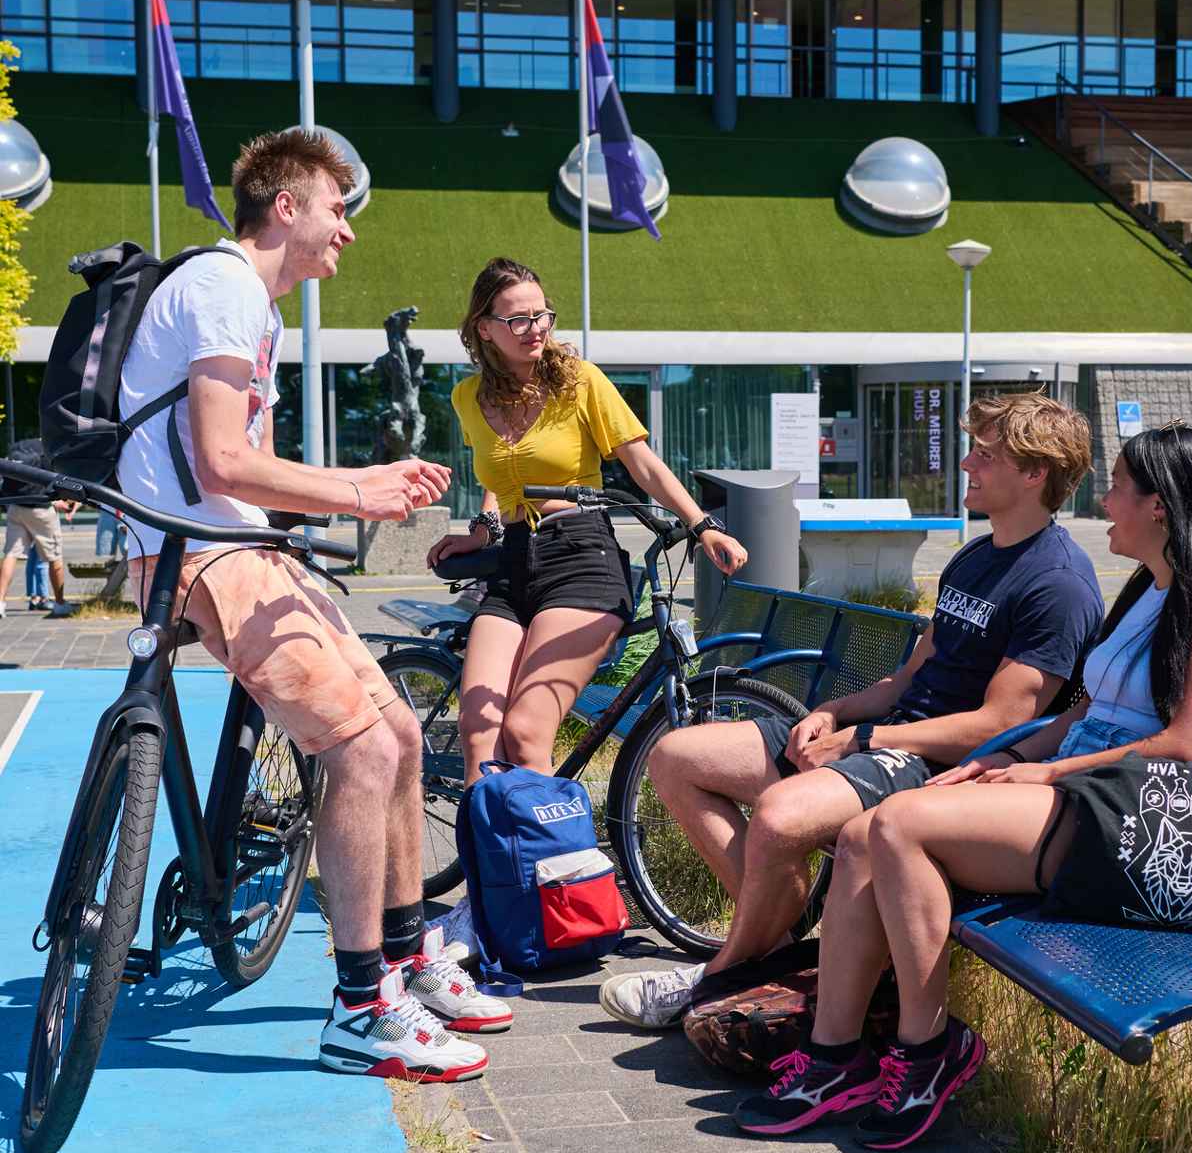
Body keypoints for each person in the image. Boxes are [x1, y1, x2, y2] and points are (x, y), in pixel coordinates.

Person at [735, 423, 1192, 1147]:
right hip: (1087, 801)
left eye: (1117, 488)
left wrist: (1047, 769)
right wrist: (1002, 754)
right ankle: (835, 1057)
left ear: (1162, 505)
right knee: (861, 837)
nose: (1104, 501)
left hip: (1151, 827)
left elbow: (1186, 743)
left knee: (896, 825)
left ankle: (926, 1051)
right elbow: (1085, 711)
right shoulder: (1148, 587)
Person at [116, 127, 512, 1084]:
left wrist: (367, 485)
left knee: (405, 737)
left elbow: (251, 472)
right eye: (338, 208)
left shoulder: (259, 311)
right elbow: (220, 463)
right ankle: (359, 1008)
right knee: (363, 751)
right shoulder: (223, 286)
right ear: (285, 207)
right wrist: (359, 490)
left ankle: (411, 958)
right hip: (196, 549)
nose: (347, 232)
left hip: (237, 539)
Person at [598, 392, 1105, 1031]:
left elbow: (998, 723)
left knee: (780, 817)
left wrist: (864, 739)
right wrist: (835, 713)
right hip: (880, 740)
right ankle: (773, 957)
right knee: (675, 757)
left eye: (986, 454)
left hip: (930, 764)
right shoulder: (976, 556)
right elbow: (912, 673)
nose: (968, 465)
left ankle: (722, 974)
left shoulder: (1057, 582)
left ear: (1035, 474)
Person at [429, 256, 748, 785]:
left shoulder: (579, 381)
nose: (536, 330)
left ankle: (556, 866)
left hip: (580, 558)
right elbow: (501, 481)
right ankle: (496, 866)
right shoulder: (468, 397)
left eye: (542, 315)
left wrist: (702, 524)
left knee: (526, 732)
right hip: (511, 563)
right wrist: (478, 532)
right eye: (518, 320)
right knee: (478, 732)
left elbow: (641, 462)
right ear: (484, 329)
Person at [0, 448, 75, 618]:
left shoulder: (19, 448)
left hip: (16, 506)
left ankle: (0, 602)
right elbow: (54, 483)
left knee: (11, 554)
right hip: (41, 510)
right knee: (54, 557)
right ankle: (60, 603)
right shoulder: (47, 451)